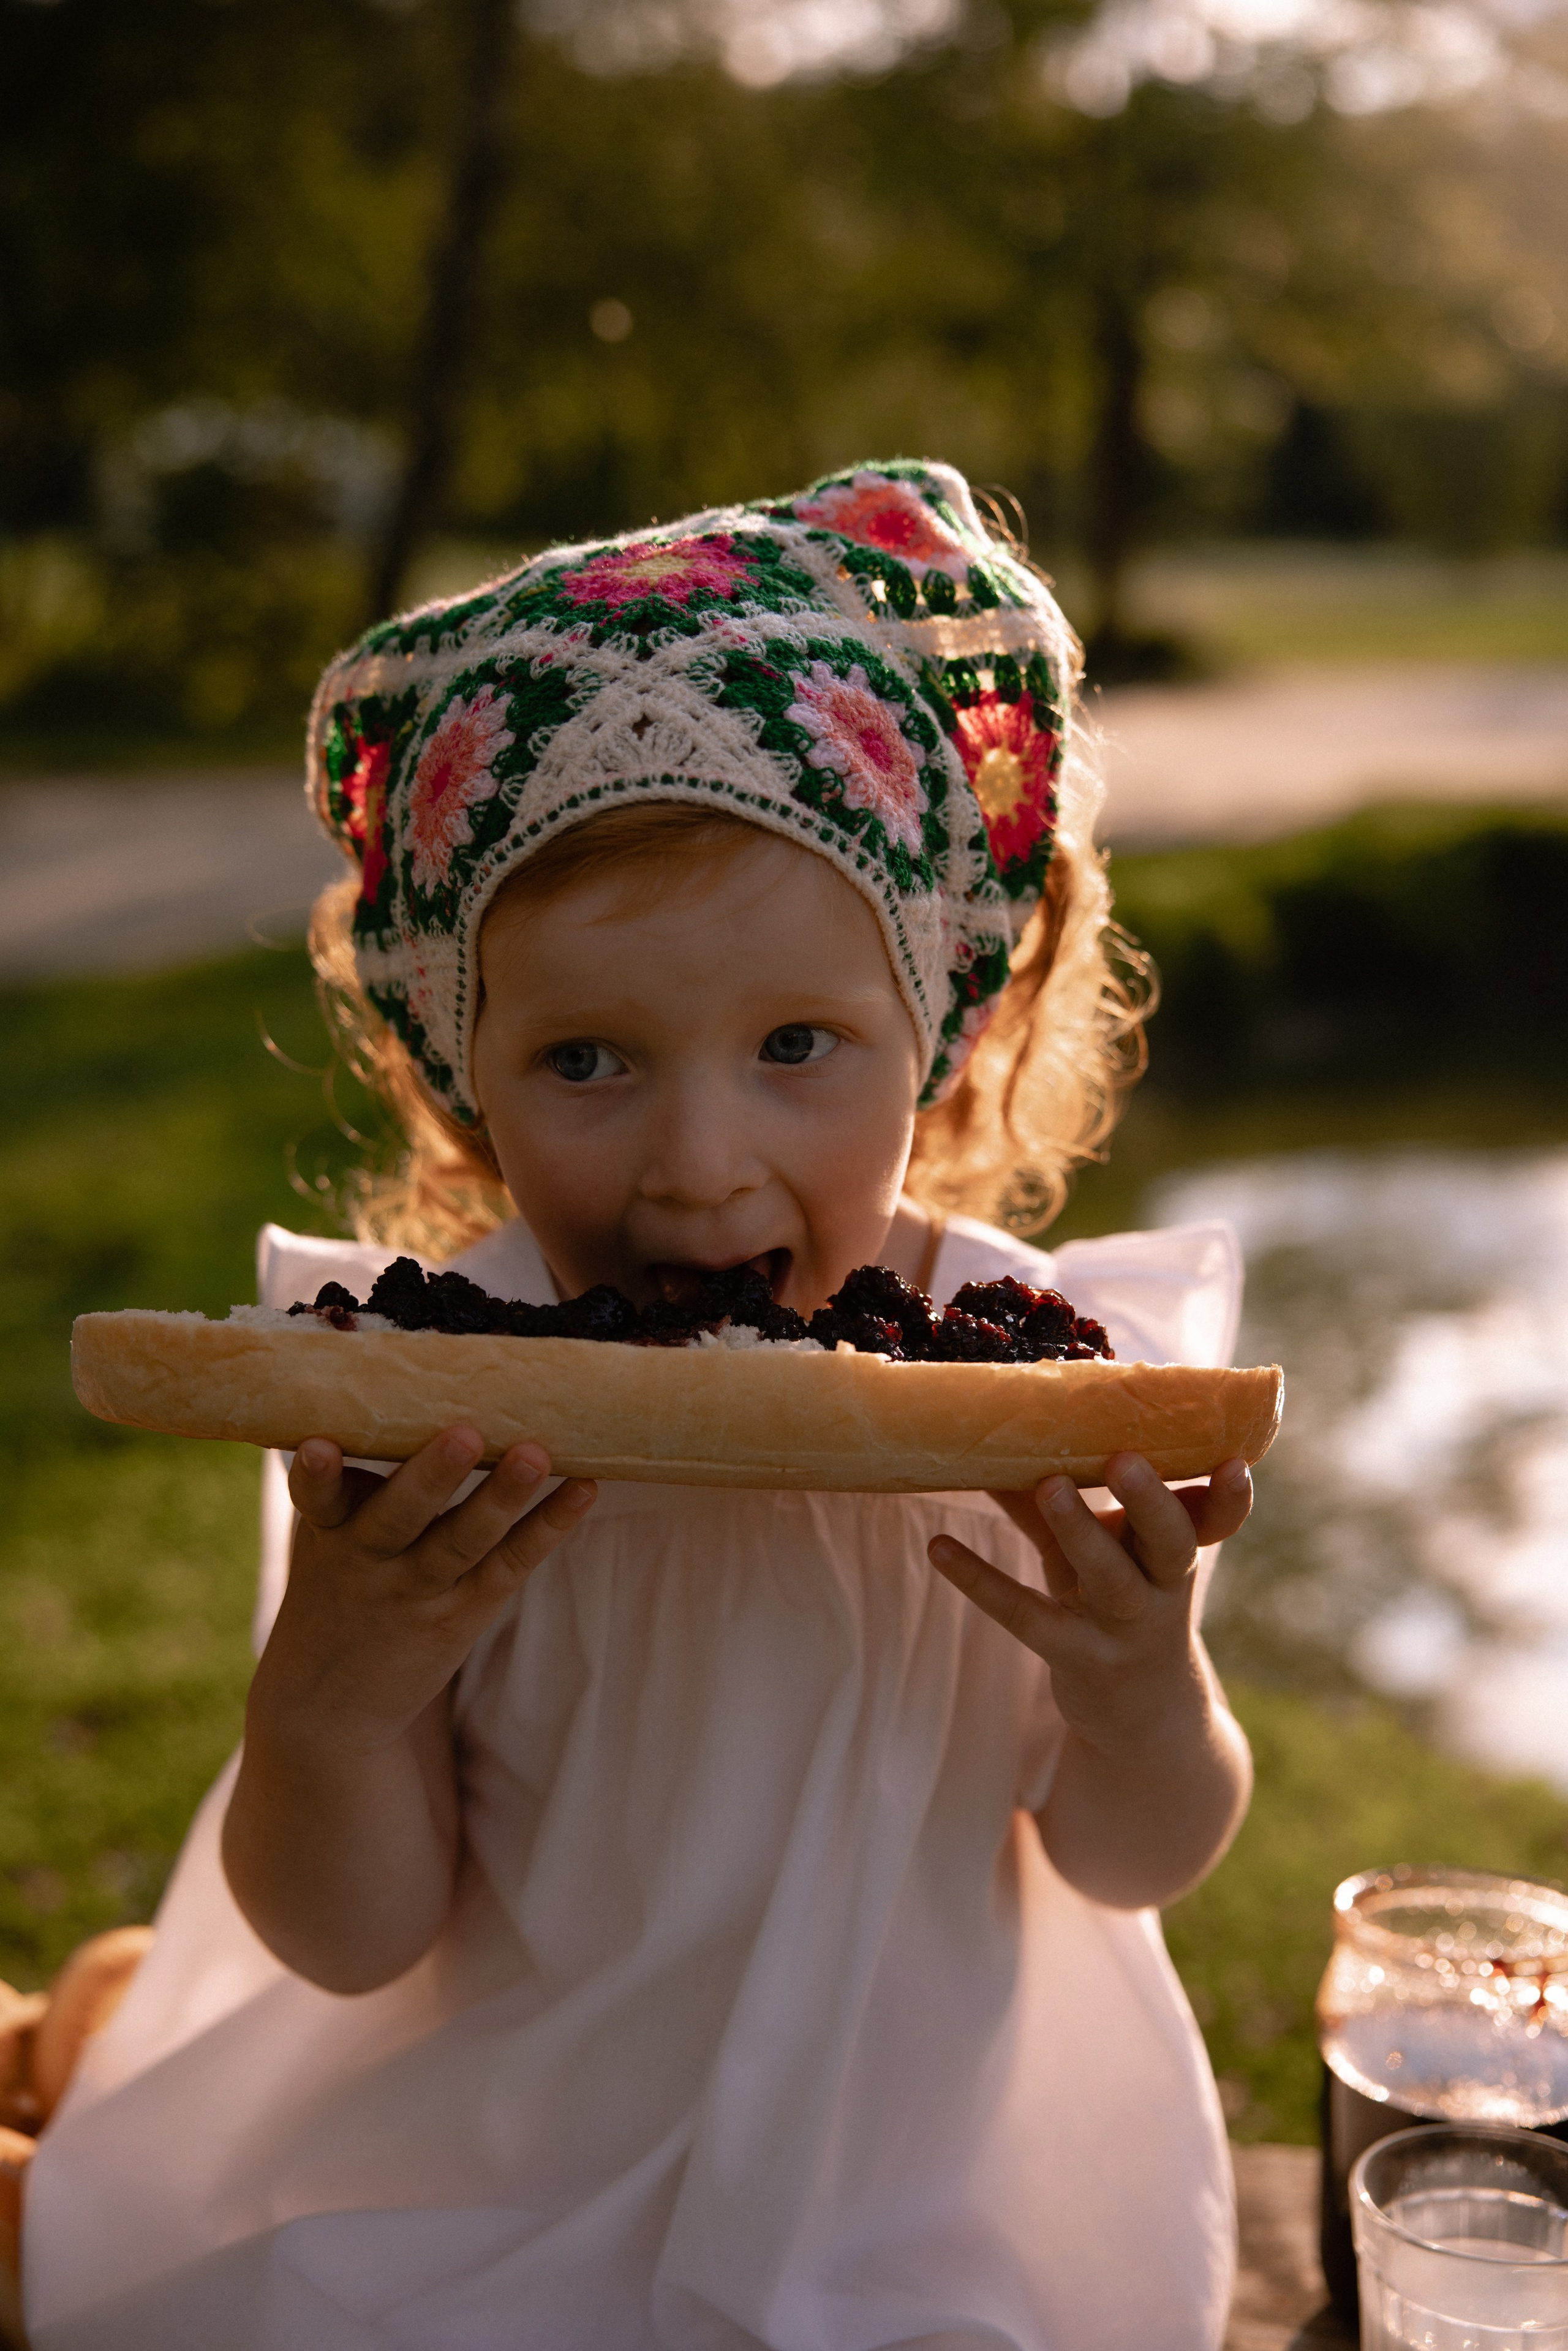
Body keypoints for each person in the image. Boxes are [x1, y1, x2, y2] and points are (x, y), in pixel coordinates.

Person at [21, 461, 1253, 2351]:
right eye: (587, 1058)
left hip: (907, 2211)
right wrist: (338, 1685)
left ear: (934, 1028)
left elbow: (1131, 1856)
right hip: (491, 2173)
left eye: (795, 1048)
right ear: (463, 1077)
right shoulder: (420, 1405)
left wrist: (1137, 1678)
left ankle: (77, 2026)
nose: (698, 1166)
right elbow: (353, 1936)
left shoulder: (1041, 1373)